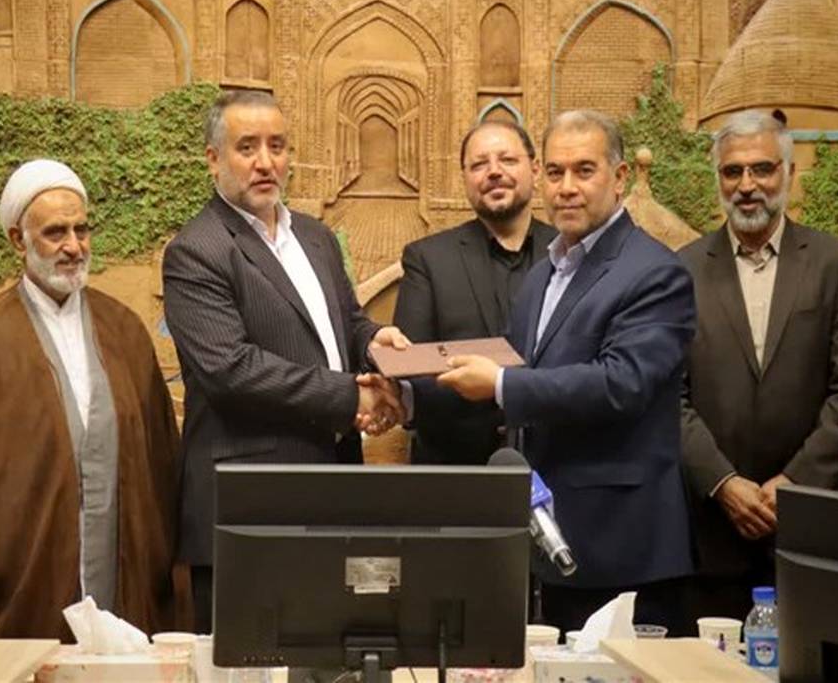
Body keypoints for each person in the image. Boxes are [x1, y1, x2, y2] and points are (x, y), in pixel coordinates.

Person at [432, 109, 696, 634]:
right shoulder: (544, 274)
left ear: (620, 178)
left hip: (624, 548)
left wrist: (501, 384)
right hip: (551, 541)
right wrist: (399, 389)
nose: (567, 188)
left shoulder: (656, 272)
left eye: (584, 171)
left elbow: (621, 383)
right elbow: (513, 365)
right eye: (555, 172)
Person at [162, 89, 408, 633]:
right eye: (247, 147)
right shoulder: (197, 250)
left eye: (277, 146)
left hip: (332, 495)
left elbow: (345, 322)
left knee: (330, 657)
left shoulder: (315, 238)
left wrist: (377, 343)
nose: (265, 161)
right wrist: (352, 396)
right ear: (213, 159)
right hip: (249, 509)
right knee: (246, 663)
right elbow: (230, 370)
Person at [0, 160, 184, 640]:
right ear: (18, 241)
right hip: (24, 583)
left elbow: (161, 460)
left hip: (123, 574)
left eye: (81, 230)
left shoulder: (124, 329)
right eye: (55, 233)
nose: (74, 246)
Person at [680, 109, 838, 621]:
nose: (747, 185)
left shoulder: (835, 264)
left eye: (762, 169)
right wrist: (723, 483)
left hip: (810, 523)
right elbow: (668, 395)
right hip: (712, 531)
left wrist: (795, 482)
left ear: (789, 172)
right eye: (733, 171)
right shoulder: (681, 270)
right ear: (718, 179)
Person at [394, 120, 556, 464]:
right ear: (465, 178)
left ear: (535, 169)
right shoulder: (427, 259)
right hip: (454, 469)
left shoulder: (571, 254)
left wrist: (505, 385)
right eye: (479, 164)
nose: (494, 172)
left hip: (559, 462)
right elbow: (410, 369)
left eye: (507, 160)